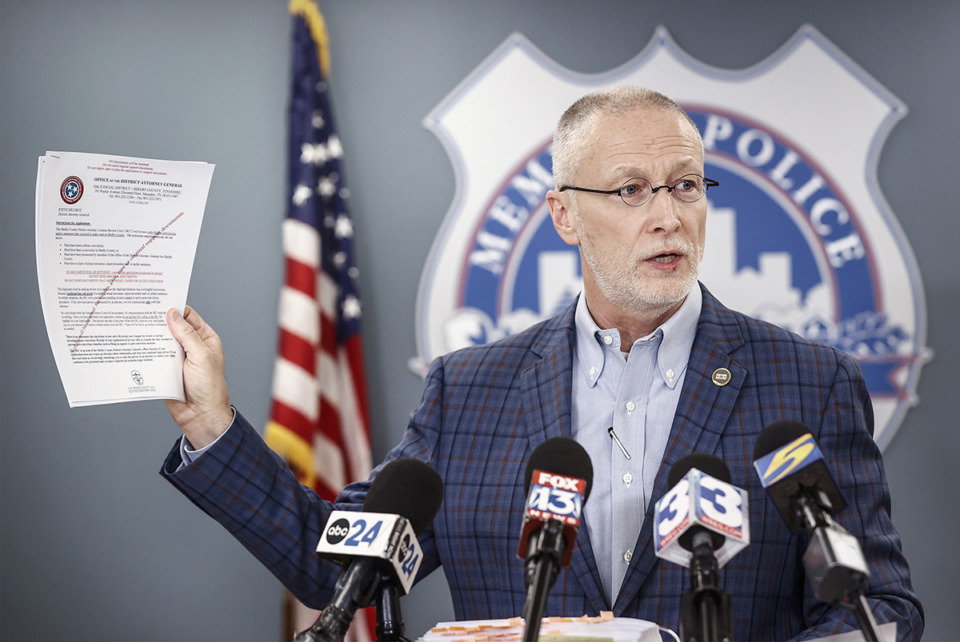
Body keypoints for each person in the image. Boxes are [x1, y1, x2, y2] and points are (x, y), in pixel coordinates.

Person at [161, 87, 923, 640]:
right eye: (630, 190)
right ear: (563, 213)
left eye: (685, 186)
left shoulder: (810, 382)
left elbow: (877, 606)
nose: (668, 216)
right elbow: (334, 567)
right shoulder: (469, 391)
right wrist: (210, 421)